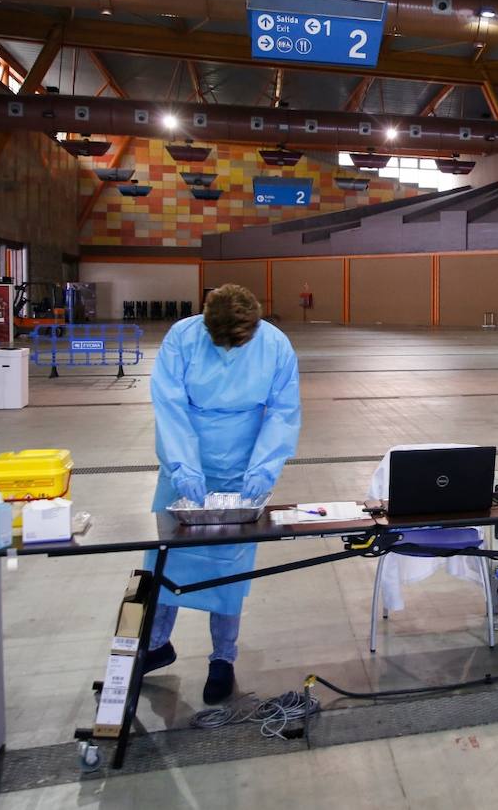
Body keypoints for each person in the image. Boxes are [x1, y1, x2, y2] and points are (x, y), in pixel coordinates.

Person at [142, 284, 301, 704]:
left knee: (229, 568)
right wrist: (181, 463)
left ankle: (222, 659)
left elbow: (284, 410)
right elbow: (169, 402)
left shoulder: (275, 344)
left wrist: (266, 465)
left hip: (242, 465)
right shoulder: (183, 336)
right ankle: (156, 644)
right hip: (184, 460)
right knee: (165, 555)